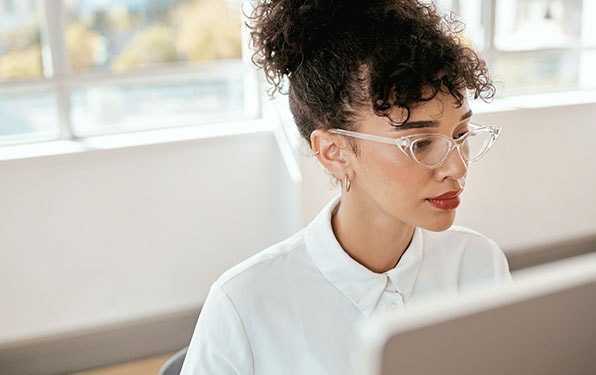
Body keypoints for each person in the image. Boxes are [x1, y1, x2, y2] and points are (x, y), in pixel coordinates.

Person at [180, 0, 511, 373]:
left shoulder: (479, 262)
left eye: (460, 133)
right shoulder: (243, 305)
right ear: (334, 152)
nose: (457, 166)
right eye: (419, 143)